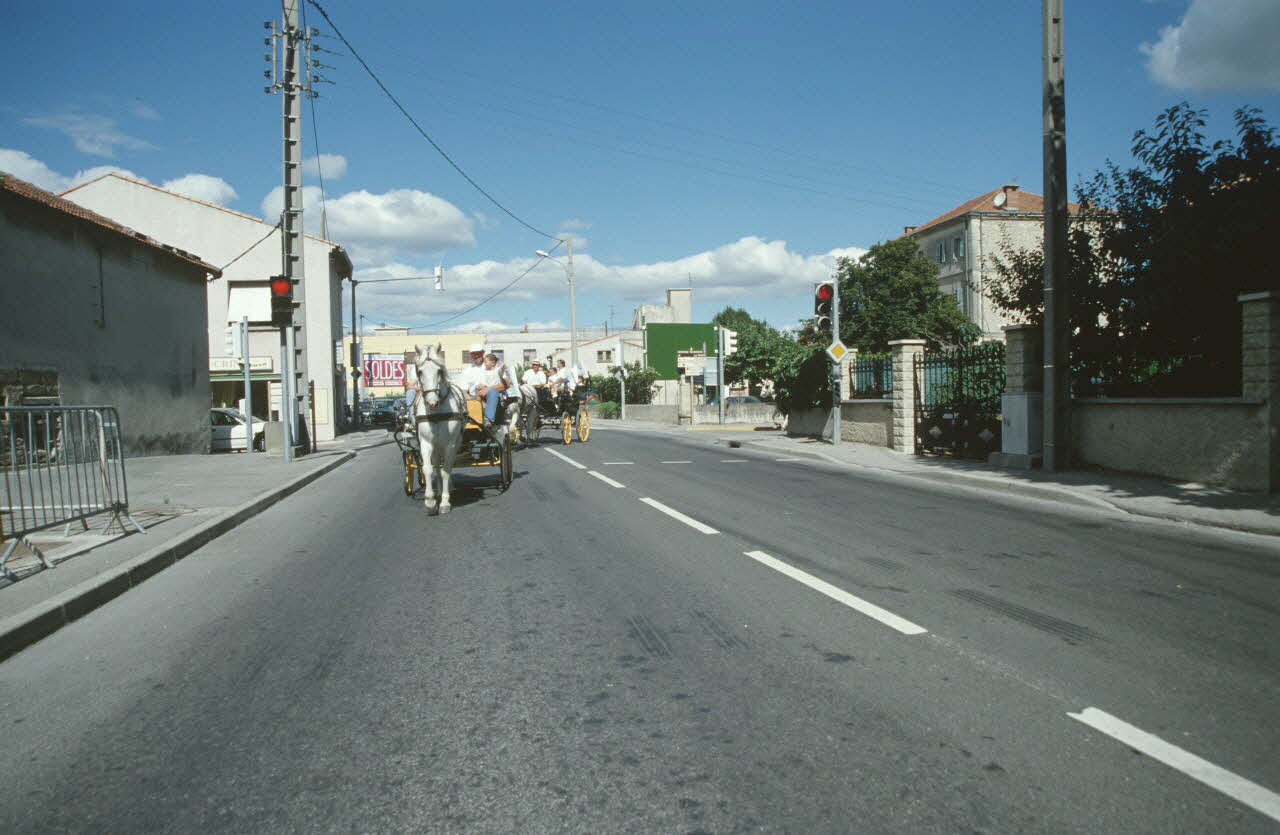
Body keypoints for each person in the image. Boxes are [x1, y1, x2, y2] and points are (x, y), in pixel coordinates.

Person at [469, 352, 507, 428]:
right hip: (485, 393)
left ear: (492, 363)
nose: (484, 364)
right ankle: (473, 418)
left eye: (486, 362)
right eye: (484, 362)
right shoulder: (483, 372)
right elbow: (481, 383)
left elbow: (501, 370)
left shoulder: (497, 370)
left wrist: (502, 366)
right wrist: (479, 388)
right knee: (472, 398)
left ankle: (488, 419)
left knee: (493, 391)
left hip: (495, 394)